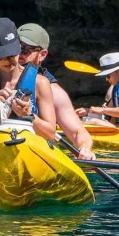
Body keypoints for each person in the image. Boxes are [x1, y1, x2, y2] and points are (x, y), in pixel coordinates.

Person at [16, 23, 93, 159]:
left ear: (42, 54)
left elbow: (77, 132)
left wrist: (85, 149)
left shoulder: (52, 90)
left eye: (25, 50)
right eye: (16, 48)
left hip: (34, 153)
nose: (18, 55)